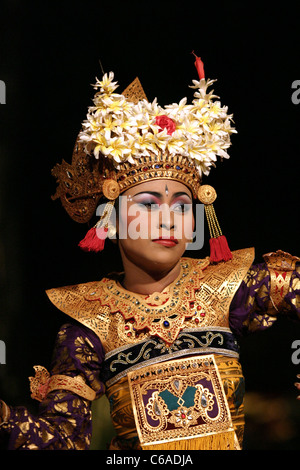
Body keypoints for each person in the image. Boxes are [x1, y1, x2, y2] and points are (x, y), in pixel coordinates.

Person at [0, 56, 299, 450]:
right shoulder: (89, 324)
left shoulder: (225, 287)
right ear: (112, 217)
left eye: (180, 206)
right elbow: (61, 438)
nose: (168, 220)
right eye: (147, 204)